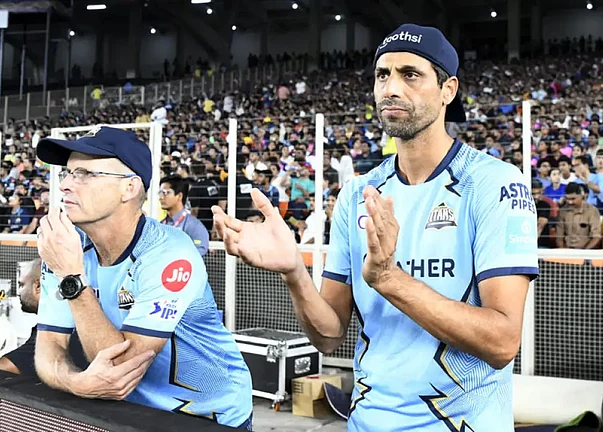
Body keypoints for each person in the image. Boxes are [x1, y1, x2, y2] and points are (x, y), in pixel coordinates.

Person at [212, 24, 538, 431]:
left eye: (410, 74)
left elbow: (503, 341)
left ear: (448, 89)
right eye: (382, 75)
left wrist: (389, 279)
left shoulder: (494, 184)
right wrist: (294, 271)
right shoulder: (357, 194)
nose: (391, 88)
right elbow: (329, 335)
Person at [33, 126, 253, 430]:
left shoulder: (170, 251)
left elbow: (120, 369)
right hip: (134, 414)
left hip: (208, 417)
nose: (66, 185)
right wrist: (74, 382)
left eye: (84, 173)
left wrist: (72, 277)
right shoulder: (66, 246)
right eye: (67, 173)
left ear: (130, 188)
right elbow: (48, 346)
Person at [159, 175, 210, 256]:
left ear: (179, 196)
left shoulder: (194, 226)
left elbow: (199, 253)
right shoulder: (160, 225)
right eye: (160, 193)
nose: (161, 197)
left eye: (166, 193)